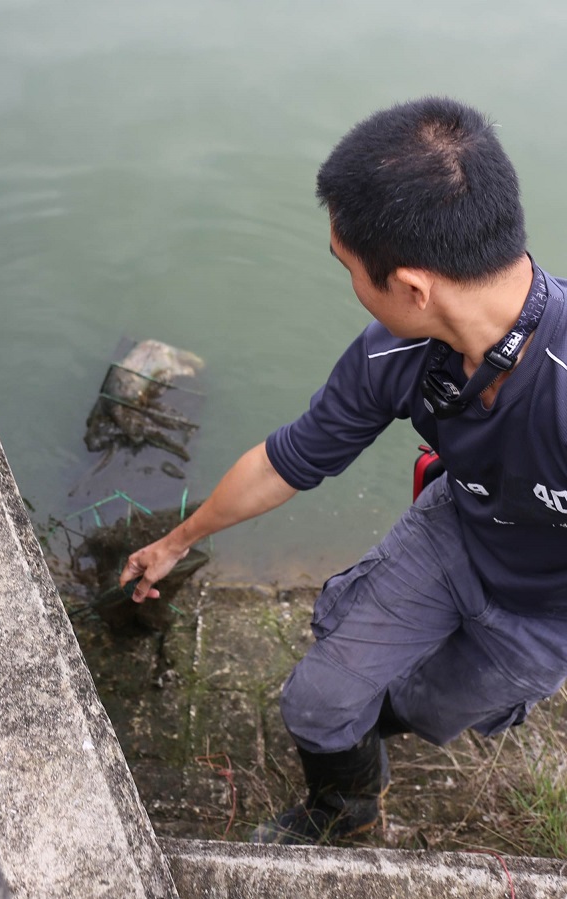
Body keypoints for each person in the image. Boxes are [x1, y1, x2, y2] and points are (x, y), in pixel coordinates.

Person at [120, 96, 567, 845]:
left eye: (350, 268)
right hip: (460, 529)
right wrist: (176, 539)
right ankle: (346, 807)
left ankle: (405, 714)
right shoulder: (394, 352)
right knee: (317, 702)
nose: (351, 286)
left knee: (427, 709)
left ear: (414, 287)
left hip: (547, 610)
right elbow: (287, 458)